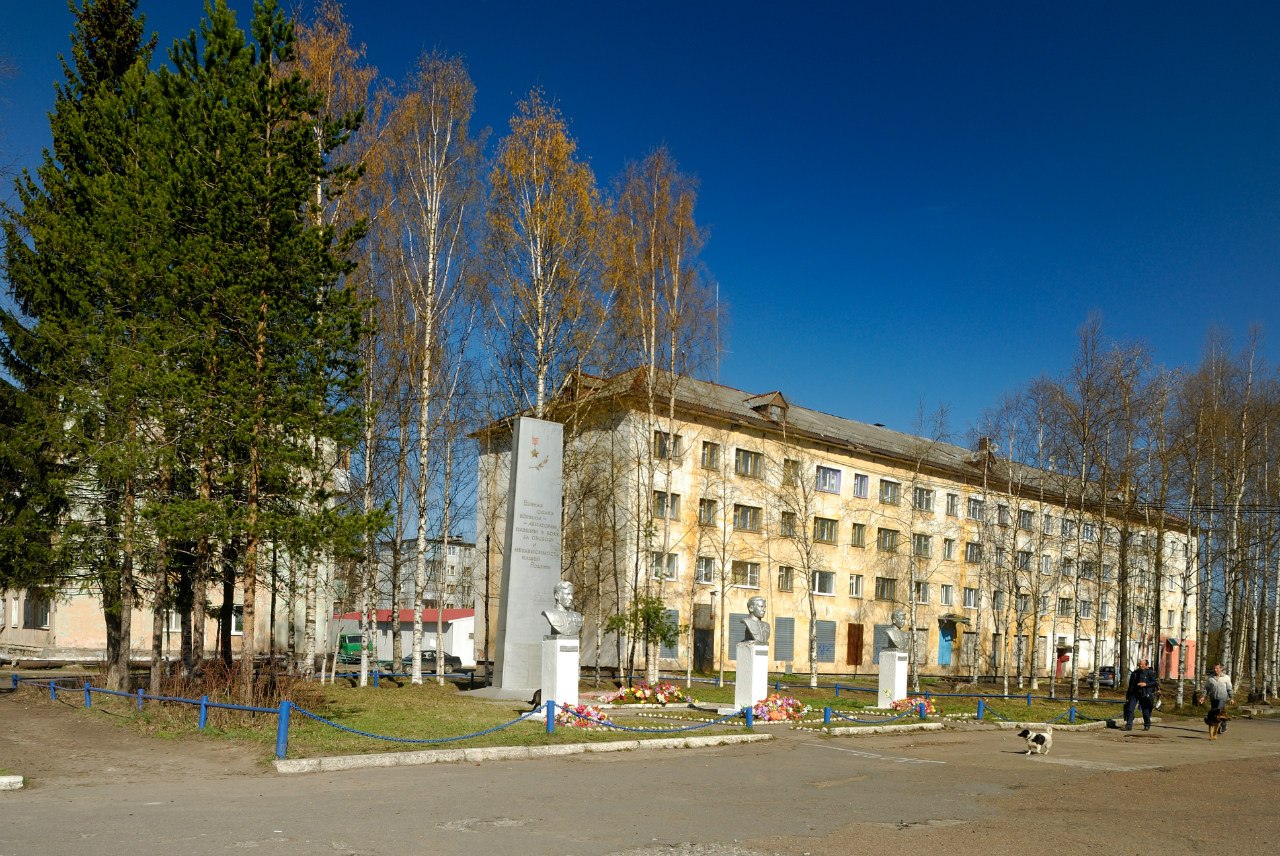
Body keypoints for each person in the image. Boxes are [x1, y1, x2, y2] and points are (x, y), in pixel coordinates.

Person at [1123, 658, 1159, 731]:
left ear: (1146, 665)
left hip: (1145, 693)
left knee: (1145, 710)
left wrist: (1145, 684)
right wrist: (1128, 695)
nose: (1141, 666)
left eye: (1143, 665)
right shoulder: (1135, 673)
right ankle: (1129, 725)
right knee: (1130, 708)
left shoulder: (1150, 672)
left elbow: (1154, 682)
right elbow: (1131, 685)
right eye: (1140, 664)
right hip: (1134, 693)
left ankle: (1147, 724)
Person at [1203, 662, 1233, 734]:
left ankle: (1220, 726)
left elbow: (1229, 689)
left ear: (1221, 669)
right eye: (1214, 668)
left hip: (1222, 698)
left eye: (1217, 668)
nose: (1215, 670)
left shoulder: (1226, 678)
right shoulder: (1210, 678)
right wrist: (1203, 697)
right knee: (1215, 713)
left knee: (1219, 712)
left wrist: (1231, 698)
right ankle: (1221, 725)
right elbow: (1206, 689)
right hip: (1213, 698)